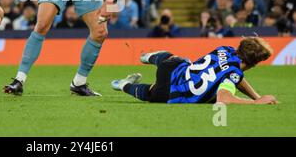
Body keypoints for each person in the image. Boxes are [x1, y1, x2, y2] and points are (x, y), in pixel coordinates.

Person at [111, 37, 279, 104]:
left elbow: (235, 78)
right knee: (151, 94)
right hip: (172, 91)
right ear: (254, 63)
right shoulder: (233, 73)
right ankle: (123, 84)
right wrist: (255, 102)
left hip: (174, 66)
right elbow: (223, 97)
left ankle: (148, 57)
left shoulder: (226, 49)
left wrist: (257, 96)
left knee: (180, 60)